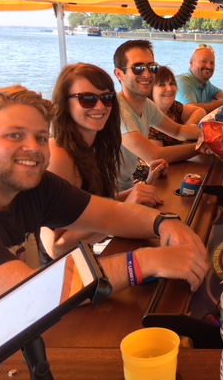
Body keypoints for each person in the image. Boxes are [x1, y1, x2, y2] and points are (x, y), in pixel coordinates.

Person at [0, 85, 209, 327]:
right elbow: (28, 296)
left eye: (41, 137)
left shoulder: (35, 185)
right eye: (15, 135)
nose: (33, 148)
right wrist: (144, 262)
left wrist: (163, 222)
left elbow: (111, 215)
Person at [43, 63, 166, 260]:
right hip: (64, 273)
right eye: (87, 99)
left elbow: (89, 208)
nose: (100, 106)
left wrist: (140, 190)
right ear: (65, 103)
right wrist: (125, 208)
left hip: (89, 256)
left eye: (107, 98)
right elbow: (56, 247)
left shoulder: (95, 145)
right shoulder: (58, 154)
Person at [113, 40, 202, 193]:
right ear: (119, 74)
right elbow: (155, 154)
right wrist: (204, 147)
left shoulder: (147, 105)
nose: (147, 74)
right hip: (110, 196)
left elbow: (179, 131)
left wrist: (215, 135)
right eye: (138, 68)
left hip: (130, 188)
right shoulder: (118, 110)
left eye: (152, 67)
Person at [148, 66, 206, 146]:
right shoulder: (149, 120)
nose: (169, 89)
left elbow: (199, 111)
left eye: (172, 83)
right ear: (150, 90)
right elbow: (160, 155)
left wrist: (190, 125)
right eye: (162, 85)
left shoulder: (173, 107)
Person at [175, 44, 223, 113]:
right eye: (204, 61)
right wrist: (222, 103)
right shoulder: (181, 81)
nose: (209, 66)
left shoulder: (204, 83)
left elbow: (220, 93)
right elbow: (191, 110)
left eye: (212, 63)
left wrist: (214, 102)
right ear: (191, 63)